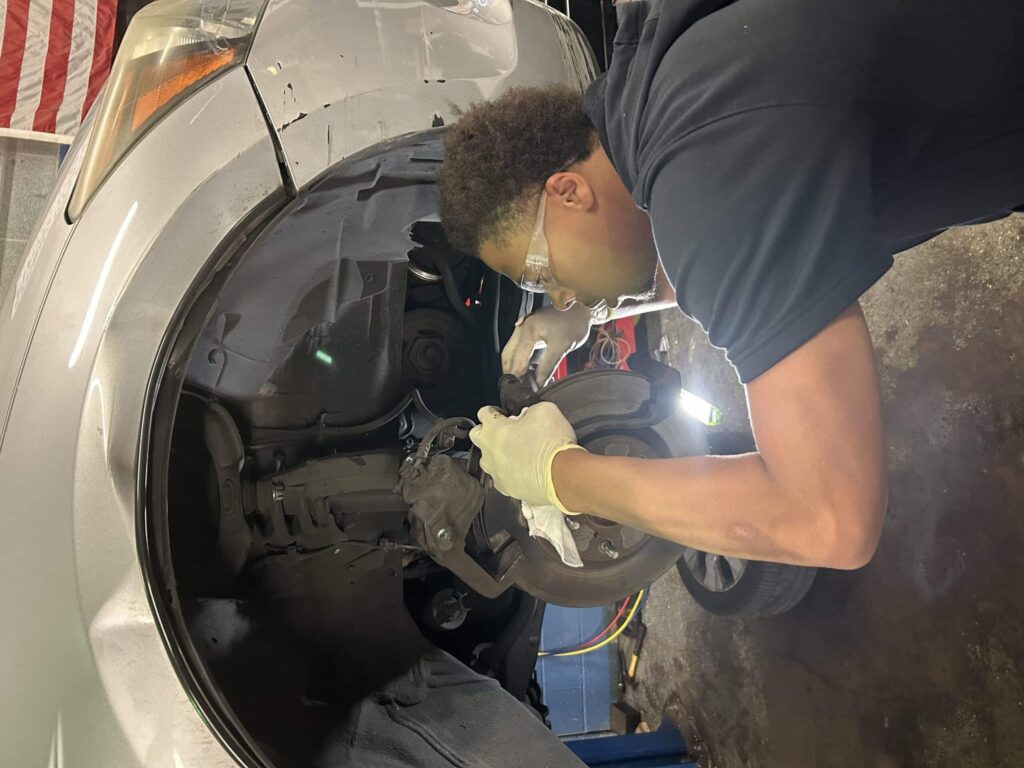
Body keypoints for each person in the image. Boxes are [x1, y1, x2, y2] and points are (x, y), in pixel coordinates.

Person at [437, 0, 1024, 570]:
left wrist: (558, 475)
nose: (562, 295)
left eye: (544, 275)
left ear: (569, 192)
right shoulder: (660, 79)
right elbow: (744, 237)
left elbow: (827, 519)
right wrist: (592, 313)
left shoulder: (707, 176)